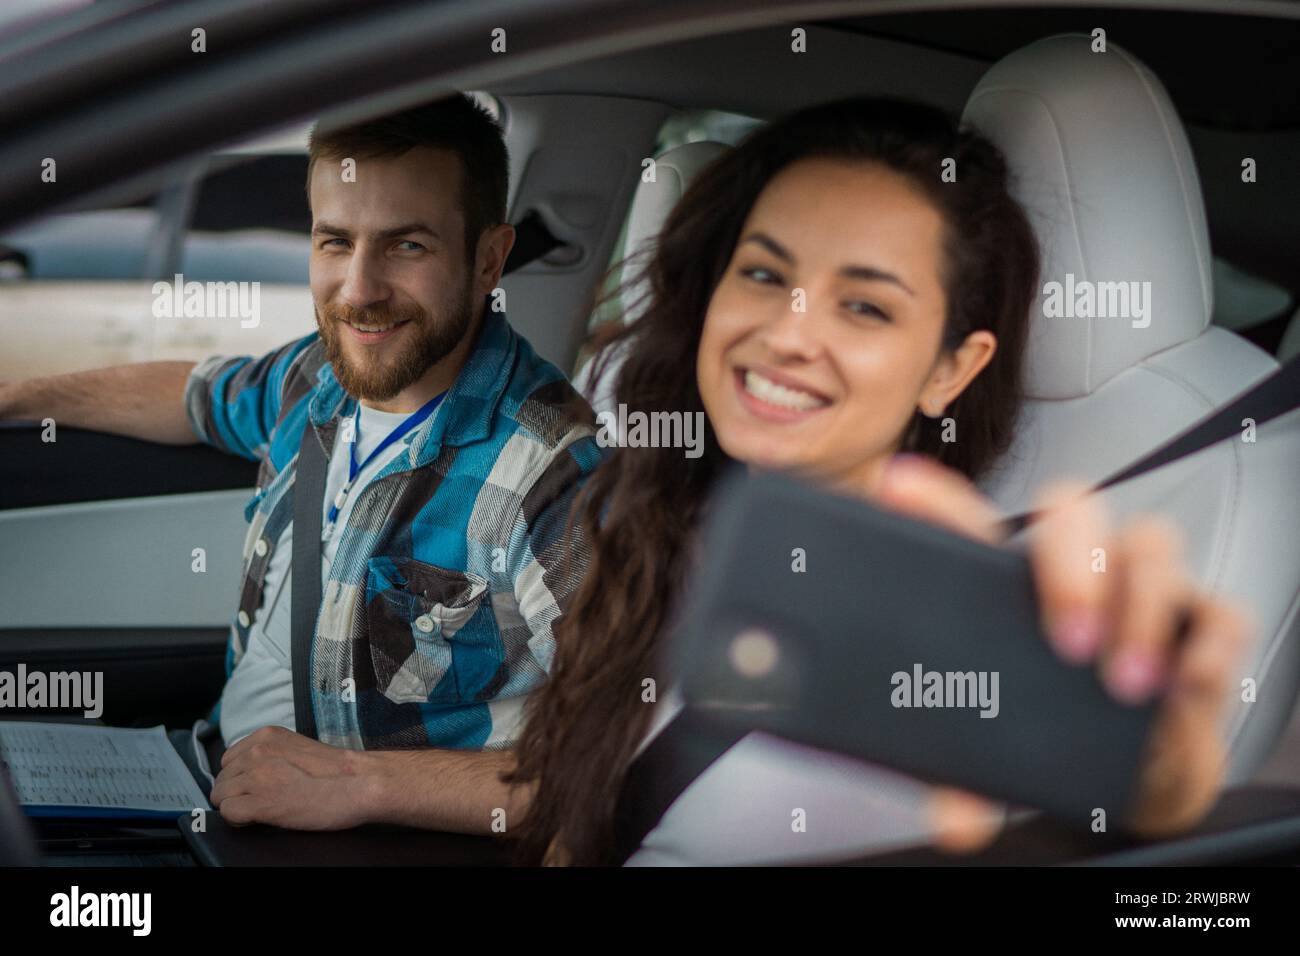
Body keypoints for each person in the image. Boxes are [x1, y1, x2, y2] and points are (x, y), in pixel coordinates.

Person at [504, 98, 1251, 865]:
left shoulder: (948, 649)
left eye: (865, 305)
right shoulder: (660, 523)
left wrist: (1146, 787)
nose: (789, 332)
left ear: (950, 370)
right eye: (764, 273)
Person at [0, 94, 602, 834]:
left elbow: (610, 766)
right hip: (211, 782)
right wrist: (20, 395)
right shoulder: (316, 380)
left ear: (488, 260)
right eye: (335, 242)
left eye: (407, 246)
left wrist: (361, 786)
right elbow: (193, 395)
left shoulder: (555, 478)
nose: (359, 291)